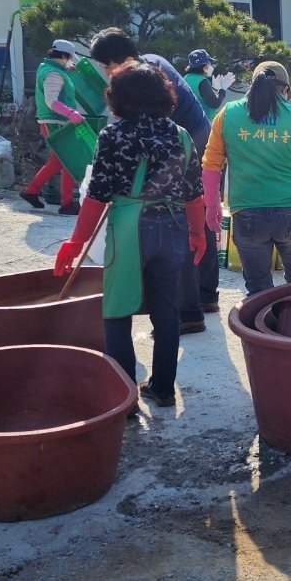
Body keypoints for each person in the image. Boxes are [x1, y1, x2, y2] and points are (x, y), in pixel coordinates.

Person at [54, 61, 207, 409]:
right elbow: (194, 195)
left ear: (118, 97)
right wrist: (198, 233)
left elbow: (96, 196)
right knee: (167, 311)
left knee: (117, 309)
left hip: (129, 230)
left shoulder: (114, 136)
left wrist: (77, 241)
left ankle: (124, 400)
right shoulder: (180, 135)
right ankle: (163, 388)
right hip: (173, 228)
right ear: (163, 95)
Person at [91, 28, 217, 329]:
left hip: (186, 143)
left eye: (108, 66)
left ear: (121, 59)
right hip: (196, 138)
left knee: (176, 221)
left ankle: (188, 312)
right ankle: (205, 296)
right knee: (194, 216)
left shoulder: (144, 75)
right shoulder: (152, 61)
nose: (108, 74)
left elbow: (148, 129)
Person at [202, 61, 291, 295]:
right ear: (285, 90)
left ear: (252, 86)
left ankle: (261, 320)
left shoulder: (227, 114)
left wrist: (212, 205)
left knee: (258, 287)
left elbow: (211, 164)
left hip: (246, 211)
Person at [21, 39, 86, 216]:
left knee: (58, 162)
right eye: (69, 58)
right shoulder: (54, 74)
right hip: (56, 123)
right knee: (67, 161)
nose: (70, 61)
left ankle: (32, 191)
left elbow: (53, 86)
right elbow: (51, 100)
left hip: (51, 123)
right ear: (64, 56)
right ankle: (66, 203)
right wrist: (70, 113)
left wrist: (66, 71)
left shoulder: (48, 68)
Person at [182, 48, 232, 119]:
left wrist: (215, 88)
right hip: (202, 121)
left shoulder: (186, 77)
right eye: (209, 64)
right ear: (204, 67)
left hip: (189, 119)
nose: (211, 66)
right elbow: (215, 104)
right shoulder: (202, 81)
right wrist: (223, 89)